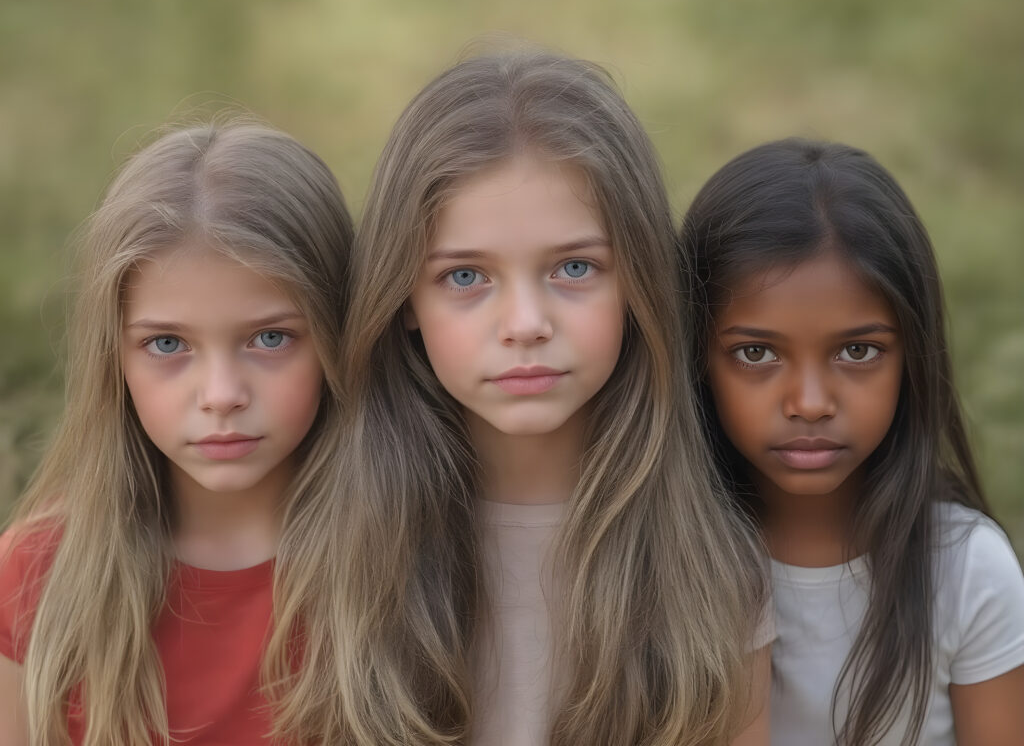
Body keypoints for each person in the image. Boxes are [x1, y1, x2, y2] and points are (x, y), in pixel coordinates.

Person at [272, 49, 771, 746]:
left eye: (574, 267)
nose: (526, 324)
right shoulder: (325, 552)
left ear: (639, 283)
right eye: (466, 276)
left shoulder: (712, 565)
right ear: (404, 297)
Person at [0, 121, 354, 745]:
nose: (221, 395)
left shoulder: (410, 563)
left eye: (270, 338)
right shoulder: (35, 577)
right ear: (115, 356)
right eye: (168, 344)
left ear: (336, 334)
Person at [682, 137, 1024, 745]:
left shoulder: (967, 569)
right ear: (696, 359)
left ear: (913, 355)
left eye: (857, 351)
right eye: (755, 353)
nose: (810, 402)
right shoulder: (665, 557)